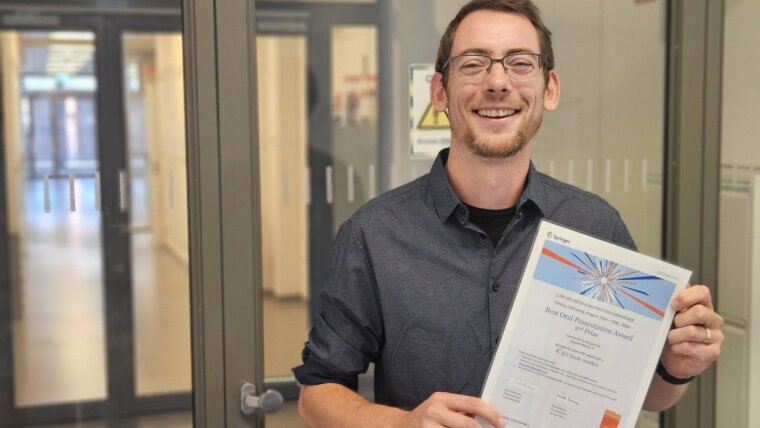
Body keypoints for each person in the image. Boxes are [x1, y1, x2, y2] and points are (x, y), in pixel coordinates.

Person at [293, 1, 724, 427]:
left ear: (549, 89)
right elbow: (317, 394)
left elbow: (645, 395)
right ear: (439, 91)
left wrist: (675, 363)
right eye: (473, 63)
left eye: (519, 63)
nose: (497, 82)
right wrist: (401, 425)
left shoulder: (596, 227)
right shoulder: (375, 235)